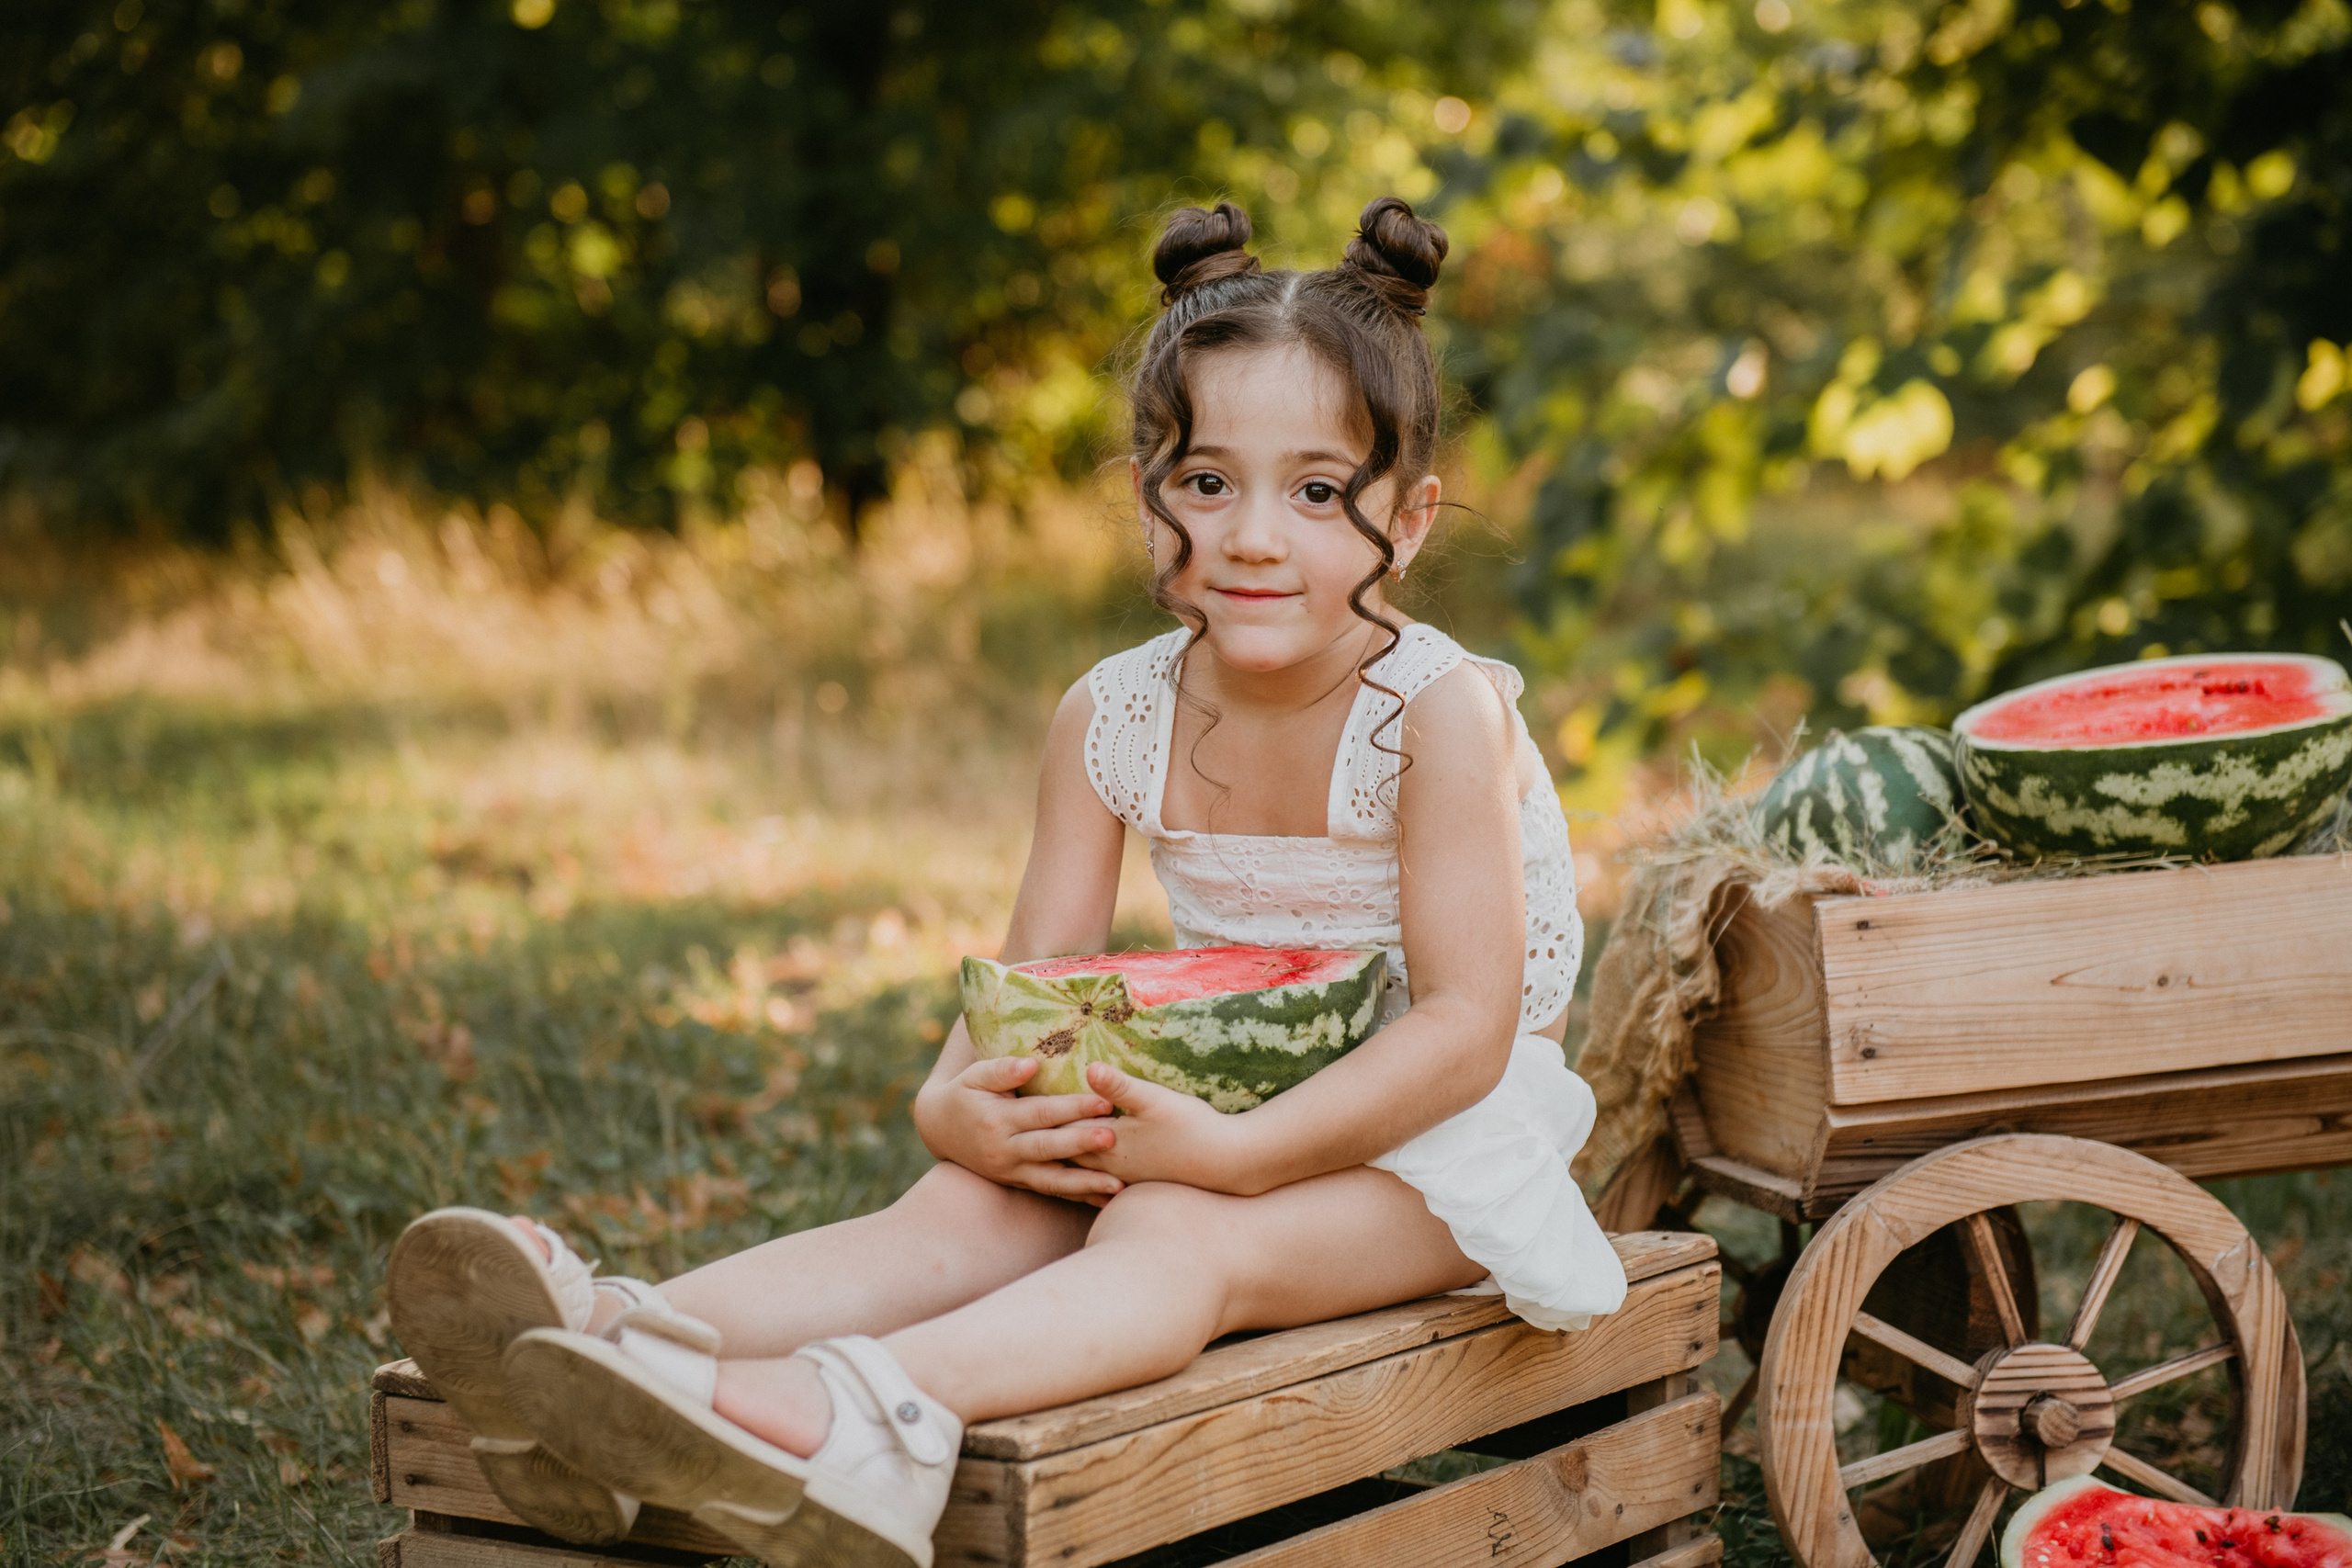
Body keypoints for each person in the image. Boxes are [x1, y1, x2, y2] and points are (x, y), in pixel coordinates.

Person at [382, 195, 1626, 1568]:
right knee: (964, 1207)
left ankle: (868, 1420)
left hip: (1433, 1151)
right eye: (1208, 483)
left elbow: (1465, 1029)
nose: (1256, 536)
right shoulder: (1112, 712)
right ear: (1150, 485)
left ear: (1414, 510)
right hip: (1211, 1107)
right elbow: (1041, 987)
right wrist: (954, 1101)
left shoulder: (1438, 710)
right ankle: (614, 1353)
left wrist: (1235, 1155)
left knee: (1170, 1227)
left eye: (1319, 491)